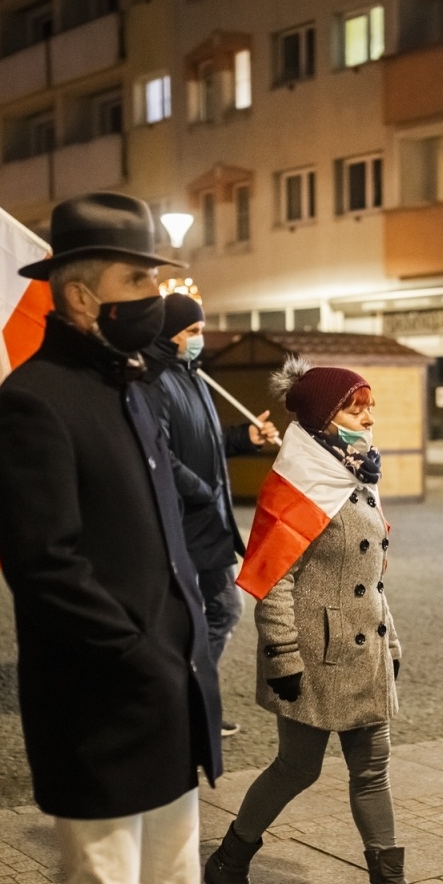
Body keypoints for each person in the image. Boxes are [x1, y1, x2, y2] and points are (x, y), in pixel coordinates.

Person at [0, 192, 223, 884]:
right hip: (99, 703)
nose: (154, 291)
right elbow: (48, 570)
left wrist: (198, 629)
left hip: (170, 690)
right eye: (137, 276)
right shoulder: (35, 402)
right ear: (77, 296)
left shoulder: (134, 392)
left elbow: (170, 526)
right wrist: (140, 657)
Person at [204, 359, 443, 884]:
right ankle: (229, 861)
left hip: (362, 649)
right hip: (314, 653)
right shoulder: (296, 482)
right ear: (321, 417)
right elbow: (273, 578)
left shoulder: (356, 472)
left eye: (368, 404)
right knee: (297, 768)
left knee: (372, 769)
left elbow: (371, 575)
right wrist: (283, 656)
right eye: (353, 405)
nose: (367, 415)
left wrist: (392, 638)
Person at [141, 293, 278, 737]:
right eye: (192, 332)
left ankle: (190, 704)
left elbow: (208, 441)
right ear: (170, 334)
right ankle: (188, 704)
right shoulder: (156, 380)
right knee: (214, 611)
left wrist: (245, 439)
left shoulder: (193, 376)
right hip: (184, 520)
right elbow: (159, 453)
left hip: (207, 521)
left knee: (217, 610)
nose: (199, 340)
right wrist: (203, 491)